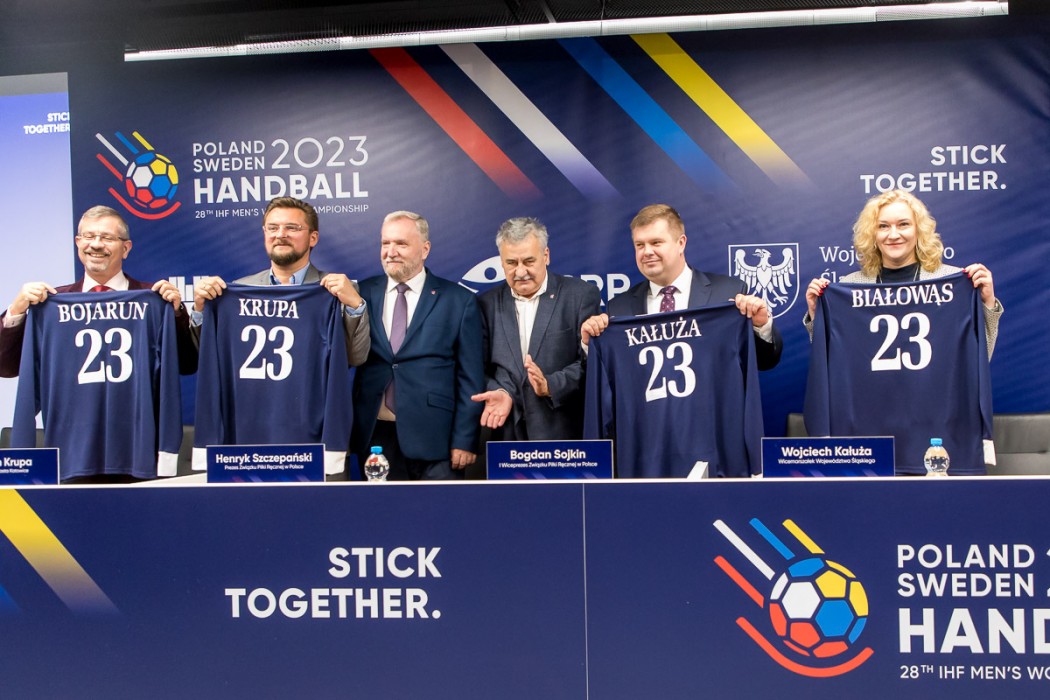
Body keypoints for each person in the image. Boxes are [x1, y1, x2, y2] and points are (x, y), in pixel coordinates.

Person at [352, 211, 484, 480]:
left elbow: (471, 378)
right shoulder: (360, 294)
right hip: (375, 438)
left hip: (437, 440)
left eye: (401, 244)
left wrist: (465, 439)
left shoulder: (458, 301)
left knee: (438, 508)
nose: (391, 252)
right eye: (385, 243)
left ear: (425, 249)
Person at [0, 205, 194, 378]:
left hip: (138, 409)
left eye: (107, 238)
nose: (96, 244)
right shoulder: (53, 304)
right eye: (89, 236)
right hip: (73, 409)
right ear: (78, 242)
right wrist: (15, 312)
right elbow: (6, 368)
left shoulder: (153, 300)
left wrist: (175, 314)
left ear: (126, 248)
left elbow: (187, 365)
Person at [580, 203, 783, 370]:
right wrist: (591, 346)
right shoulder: (619, 307)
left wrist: (760, 326)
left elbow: (763, 362)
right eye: (639, 245)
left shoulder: (728, 293)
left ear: (681, 243)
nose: (647, 252)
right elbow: (608, 376)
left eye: (656, 242)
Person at [804, 189, 1001, 353]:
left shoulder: (951, 282)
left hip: (935, 390)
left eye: (903, 224)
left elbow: (977, 358)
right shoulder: (849, 286)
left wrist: (987, 303)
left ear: (918, 230)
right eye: (883, 226)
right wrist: (817, 315)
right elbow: (833, 360)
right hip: (871, 390)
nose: (893, 234)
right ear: (873, 234)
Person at [190, 196, 369, 364]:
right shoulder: (240, 290)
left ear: (313, 238)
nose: (281, 234)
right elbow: (207, 358)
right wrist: (200, 310)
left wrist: (355, 306)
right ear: (265, 233)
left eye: (292, 228)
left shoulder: (336, 293)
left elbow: (355, 358)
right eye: (273, 228)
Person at [471, 217, 601, 440]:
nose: (520, 271)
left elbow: (591, 365)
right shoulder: (486, 304)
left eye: (529, 261)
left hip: (563, 436)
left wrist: (550, 385)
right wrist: (500, 391)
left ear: (546, 255)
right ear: (501, 262)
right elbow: (476, 368)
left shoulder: (580, 295)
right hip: (505, 434)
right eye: (511, 263)